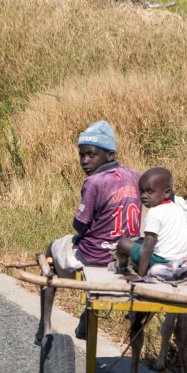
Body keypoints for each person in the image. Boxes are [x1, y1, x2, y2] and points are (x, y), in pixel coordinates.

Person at [35, 120, 141, 344]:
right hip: (125, 255)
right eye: (81, 155)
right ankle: (85, 317)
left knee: (50, 252)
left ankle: (44, 325)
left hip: (95, 255)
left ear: (109, 156)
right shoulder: (134, 175)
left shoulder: (94, 182)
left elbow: (79, 225)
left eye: (91, 155)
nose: (84, 161)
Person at [115, 167, 187, 278]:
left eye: (150, 192)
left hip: (162, 262)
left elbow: (148, 247)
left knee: (123, 244)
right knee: (140, 242)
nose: (144, 196)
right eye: (141, 191)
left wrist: (141, 275)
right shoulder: (177, 208)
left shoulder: (154, 213)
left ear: (167, 193)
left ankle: (122, 268)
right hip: (182, 260)